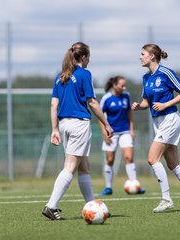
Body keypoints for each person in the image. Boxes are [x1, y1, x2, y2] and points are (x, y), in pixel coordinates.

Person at [42, 42, 114, 220]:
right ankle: (51, 206)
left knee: (83, 167)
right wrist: (106, 123)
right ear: (83, 57)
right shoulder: (84, 74)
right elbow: (92, 102)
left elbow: (53, 104)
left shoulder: (61, 76)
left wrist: (55, 129)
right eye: (88, 57)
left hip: (65, 124)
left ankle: (93, 206)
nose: (89, 60)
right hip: (79, 124)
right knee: (70, 167)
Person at [132, 43, 180, 213]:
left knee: (152, 159)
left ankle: (166, 200)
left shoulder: (166, 73)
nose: (140, 57)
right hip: (158, 122)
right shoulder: (146, 78)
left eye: (143, 54)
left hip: (170, 119)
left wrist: (166, 104)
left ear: (152, 56)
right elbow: (147, 102)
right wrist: (139, 106)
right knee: (173, 164)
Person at [98, 75, 146, 195]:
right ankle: (108, 187)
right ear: (114, 85)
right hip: (111, 133)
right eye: (122, 85)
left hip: (125, 131)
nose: (124, 88)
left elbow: (129, 112)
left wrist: (131, 129)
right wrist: (104, 133)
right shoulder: (106, 98)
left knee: (129, 157)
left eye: (125, 85)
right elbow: (100, 116)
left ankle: (134, 184)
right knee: (110, 160)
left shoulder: (126, 96)